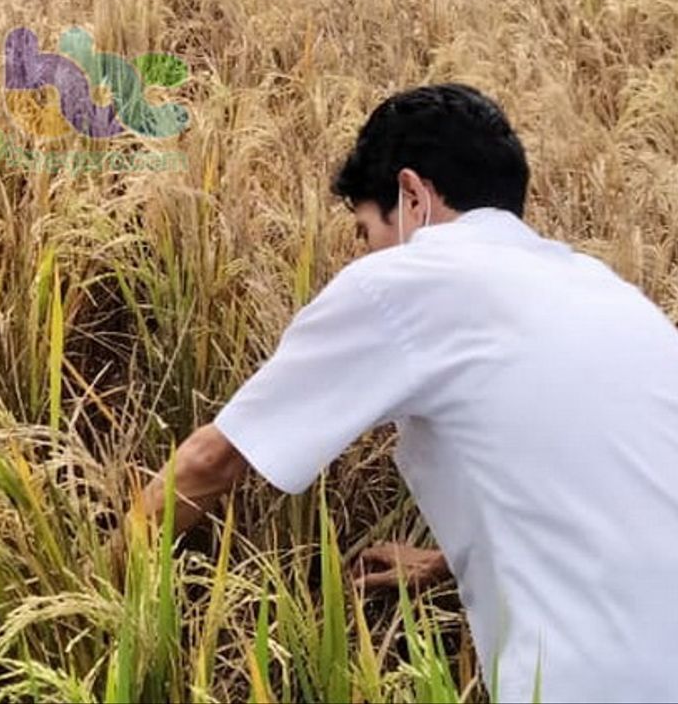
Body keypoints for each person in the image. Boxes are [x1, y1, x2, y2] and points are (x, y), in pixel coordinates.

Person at [135, 84, 678, 703]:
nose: (365, 250)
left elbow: (211, 463)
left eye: (366, 229)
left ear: (412, 195)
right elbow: (606, 472)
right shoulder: (607, 291)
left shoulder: (405, 280)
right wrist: (451, 560)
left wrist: (88, 580)